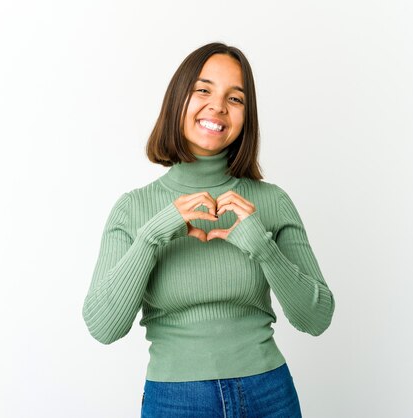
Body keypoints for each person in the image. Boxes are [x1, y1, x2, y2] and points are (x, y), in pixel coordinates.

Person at [82, 42, 335, 417]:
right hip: (176, 400)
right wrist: (153, 236)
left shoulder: (272, 202)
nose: (218, 106)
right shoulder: (133, 209)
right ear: (177, 101)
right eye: (203, 90)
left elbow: (317, 318)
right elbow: (104, 326)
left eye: (235, 98)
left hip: (269, 393)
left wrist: (263, 248)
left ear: (246, 117)